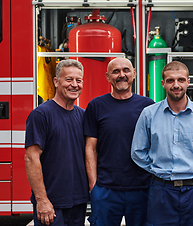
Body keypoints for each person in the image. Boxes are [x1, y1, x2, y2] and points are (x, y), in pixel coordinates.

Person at [131, 61, 193, 226]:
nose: (176, 85)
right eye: (170, 81)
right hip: (161, 191)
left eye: (181, 80)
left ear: (188, 82)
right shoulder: (149, 114)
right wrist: (155, 168)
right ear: (163, 84)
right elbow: (137, 152)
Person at [84, 57, 154, 226]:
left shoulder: (148, 106)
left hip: (141, 189)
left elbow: (155, 147)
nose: (121, 75)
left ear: (134, 74)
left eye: (126, 70)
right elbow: (90, 149)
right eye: (116, 71)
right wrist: (94, 187)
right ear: (108, 77)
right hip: (106, 189)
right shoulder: (96, 106)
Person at [24, 59, 89, 226]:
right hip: (52, 205)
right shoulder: (41, 115)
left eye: (78, 80)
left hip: (78, 202)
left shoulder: (83, 116)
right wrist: (42, 200)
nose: (74, 85)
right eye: (69, 79)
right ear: (56, 81)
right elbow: (31, 158)